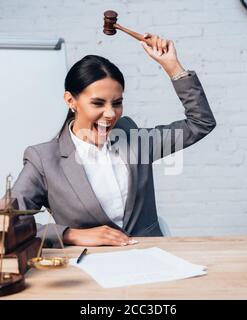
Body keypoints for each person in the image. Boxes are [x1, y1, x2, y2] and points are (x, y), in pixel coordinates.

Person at [12, 33, 216, 247]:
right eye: (98, 103)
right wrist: (70, 235)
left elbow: (200, 123)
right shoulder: (44, 159)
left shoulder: (133, 138)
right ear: (71, 101)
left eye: (117, 103)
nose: (110, 114)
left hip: (151, 257)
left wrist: (172, 67)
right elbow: (10, 221)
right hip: (87, 267)